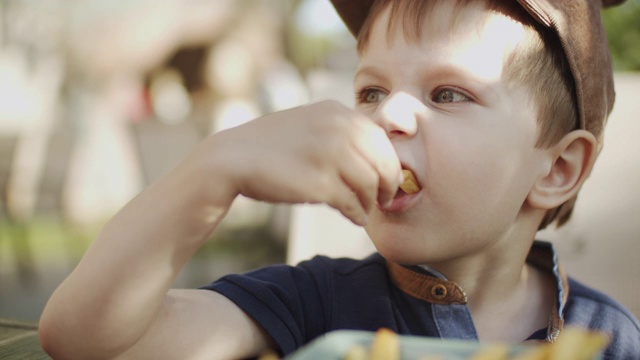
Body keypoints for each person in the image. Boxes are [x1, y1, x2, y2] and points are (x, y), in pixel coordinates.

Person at [38, 0, 640, 359]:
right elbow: (85, 341)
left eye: (447, 93)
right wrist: (213, 169)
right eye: (371, 91)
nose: (388, 115)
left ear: (557, 169)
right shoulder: (314, 303)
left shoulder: (609, 338)